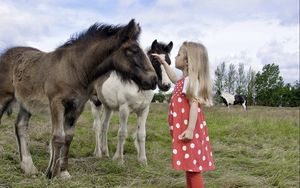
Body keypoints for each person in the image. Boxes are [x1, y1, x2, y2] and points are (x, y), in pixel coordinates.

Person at [152, 41, 215, 188]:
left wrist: (190, 129)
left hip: (189, 131)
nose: (175, 56)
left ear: (187, 61)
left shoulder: (190, 82)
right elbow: (174, 77)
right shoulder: (183, 81)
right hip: (186, 130)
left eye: (179, 54)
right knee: (189, 166)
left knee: (193, 169)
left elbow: (194, 105)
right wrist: (163, 63)